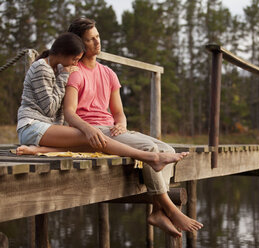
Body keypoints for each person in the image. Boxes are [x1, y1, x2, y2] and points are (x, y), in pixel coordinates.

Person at [64, 17, 203, 236]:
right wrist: (88, 129)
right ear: (80, 44)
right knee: (150, 151)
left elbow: (119, 113)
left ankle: (157, 211)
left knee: (168, 150)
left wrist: (121, 124)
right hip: (92, 132)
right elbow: (69, 113)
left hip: (112, 129)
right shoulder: (75, 73)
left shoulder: (108, 73)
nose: (98, 43)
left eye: (98, 37)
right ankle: (169, 208)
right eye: (91, 40)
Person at [16, 32, 187, 172]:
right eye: (75, 59)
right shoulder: (42, 68)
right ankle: (152, 158)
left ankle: (40, 150)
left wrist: (63, 74)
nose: (76, 64)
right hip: (31, 126)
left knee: (94, 141)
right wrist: (64, 77)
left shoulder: (57, 68)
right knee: (92, 136)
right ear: (63, 53)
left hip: (45, 129)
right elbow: (49, 109)